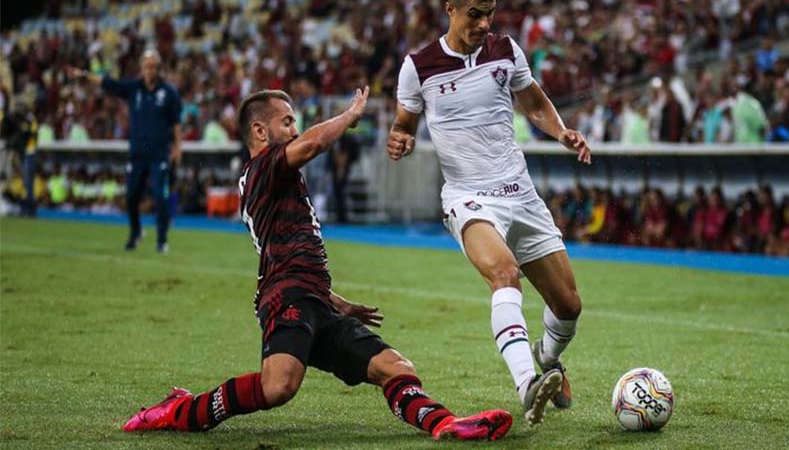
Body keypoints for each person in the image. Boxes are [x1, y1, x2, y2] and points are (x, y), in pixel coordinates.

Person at [121, 88, 513, 442]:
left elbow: (285, 254)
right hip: (287, 299)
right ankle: (178, 411)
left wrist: (335, 301)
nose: (295, 130)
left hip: (314, 301)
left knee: (396, 367)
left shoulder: (277, 179)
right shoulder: (262, 168)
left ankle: (445, 424)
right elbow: (312, 145)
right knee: (278, 387)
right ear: (259, 131)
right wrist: (349, 116)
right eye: (287, 122)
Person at [388, 0, 591, 426]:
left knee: (569, 306)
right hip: (469, 197)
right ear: (450, 9)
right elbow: (403, 125)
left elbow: (534, 103)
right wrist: (400, 139)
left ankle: (547, 357)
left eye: (490, 14)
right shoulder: (418, 67)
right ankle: (527, 385)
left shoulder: (506, 50)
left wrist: (561, 132)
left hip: (521, 194)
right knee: (504, 273)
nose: (484, 24)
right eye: (475, 14)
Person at [68, 49, 182, 252]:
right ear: (141, 68)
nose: (150, 70)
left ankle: (162, 240)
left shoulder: (169, 93)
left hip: (159, 155)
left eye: (153, 66)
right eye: (146, 66)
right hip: (137, 154)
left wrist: (178, 147)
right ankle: (136, 231)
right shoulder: (134, 88)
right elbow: (109, 83)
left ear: (159, 68)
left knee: (160, 197)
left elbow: (176, 123)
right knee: (130, 196)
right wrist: (84, 75)